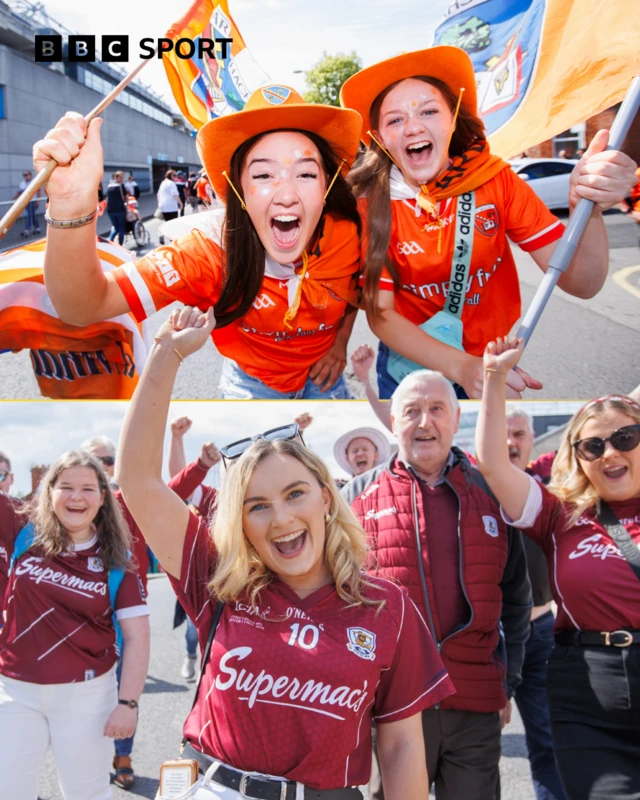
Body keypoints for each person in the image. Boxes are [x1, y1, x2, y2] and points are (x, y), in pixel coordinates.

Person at [116, 304, 455, 799]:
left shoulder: (387, 606)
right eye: (256, 505)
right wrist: (166, 354)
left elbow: (402, 744)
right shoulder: (219, 577)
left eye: (295, 493)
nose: (280, 518)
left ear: (325, 495)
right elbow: (138, 481)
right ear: (240, 523)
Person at [340, 46, 638, 399]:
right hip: (408, 373)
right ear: (379, 138)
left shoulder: (497, 181)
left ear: (452, 120)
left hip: (490, 364)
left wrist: (586, 208)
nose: (413, 127)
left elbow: (583, 283)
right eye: (395, 120)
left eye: (429, 111)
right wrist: (463, 367)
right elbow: (381, 315)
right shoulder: (371, 205)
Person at [36, 86, 364, 399]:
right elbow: (83, 305)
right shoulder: (205, 253)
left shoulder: (348, 233)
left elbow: (353, 293)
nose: (288, 194)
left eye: (306, 174)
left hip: (325, 382)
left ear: (326, 186)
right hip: (251, 387)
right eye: (263, 175)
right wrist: (71, 205)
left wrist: (340, 344)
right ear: (239, 190)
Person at [343, 369, 532, 800]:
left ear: (457, 417)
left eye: (437, 410)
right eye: (411, 411)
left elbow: (517, 600)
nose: (424, 422)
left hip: (476, 705)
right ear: (392, 421)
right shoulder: (354, 497)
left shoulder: (494, 492)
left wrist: (508, 681)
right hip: (395, 708)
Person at [475, 335, 640, 800]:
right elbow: (492, 464)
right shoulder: (558, 515)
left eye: (625, 438)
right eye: (593, 446)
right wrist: (493, 377)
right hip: (587, 695)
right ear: (579, 458)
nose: (609, 453)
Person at [0, 451, 150, 800]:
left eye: (87, 488)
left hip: (87, 696)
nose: (76, 497)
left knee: (87, 795)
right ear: (48, 491)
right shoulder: (22, 529)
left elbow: (137, 637)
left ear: (102, 497)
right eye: (65, 487)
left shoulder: (118, 560)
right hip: (15, 692)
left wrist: (128, 704)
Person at [80, 434, 149, 790]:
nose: (103, 468)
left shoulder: (125, 502)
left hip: (121, 619)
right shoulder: (63, 513)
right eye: (95, 462)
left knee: (123, 691)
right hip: (75, 634)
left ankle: (123, 756)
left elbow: (167, 487)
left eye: (108, 462)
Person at [505, 408, 567, 800]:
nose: (511, 442)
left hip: (540, 634)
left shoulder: (549, 493)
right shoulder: (473, 490)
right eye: (504, 434)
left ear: (530, 441)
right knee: (470, 748)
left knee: (548, 743)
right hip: (485, 639)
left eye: (519, 434)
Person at [13, 170, 42, 237]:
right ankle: (37, 228)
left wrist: (38, 200)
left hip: (33, 201)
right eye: (24, 175)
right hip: (26, 202)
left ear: (30, 175)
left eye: (27, 175)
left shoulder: (34, 182)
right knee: (32, 215)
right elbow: (19, 192)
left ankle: (27, 230)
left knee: (29, 215)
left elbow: (39, 191)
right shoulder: (22, 184)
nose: (26, 176)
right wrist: (13, 199)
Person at [105, 171, 129, 246]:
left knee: (115, 227)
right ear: (115, 177)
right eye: (121, 177)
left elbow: (107, 198)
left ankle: (109, 243)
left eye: (123, 177)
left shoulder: (109, 186)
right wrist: (127, 205)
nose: (122, 179)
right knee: (121, 227)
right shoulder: (121, 186)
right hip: (120, 209)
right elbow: (126, 197)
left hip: (110, 210)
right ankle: (120, 245)